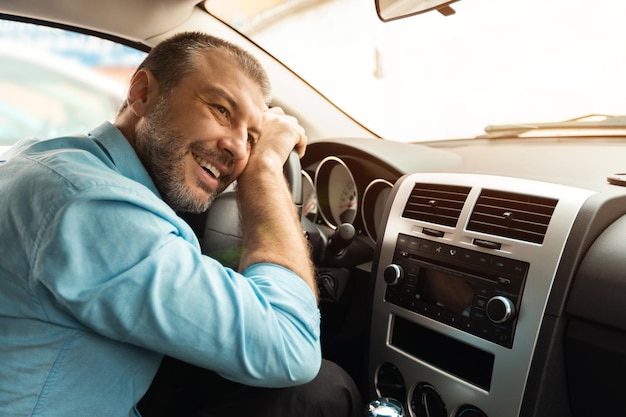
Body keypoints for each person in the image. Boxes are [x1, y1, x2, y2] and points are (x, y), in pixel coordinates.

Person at [0, 31, 363, 416]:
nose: (239, 149)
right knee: (324, 391)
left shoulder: (54, 162)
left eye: (253, 139)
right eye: (222, 110)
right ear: (142, 94)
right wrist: (266, 168)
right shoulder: (90, 205)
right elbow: (291, 344)